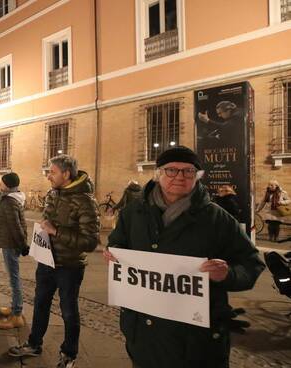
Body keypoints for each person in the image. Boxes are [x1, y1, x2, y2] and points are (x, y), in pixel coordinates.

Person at [103, 146, 264, 368]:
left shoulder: (218, 219)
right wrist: (114, 252)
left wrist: (227, 274)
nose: (179, 176)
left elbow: (251, 263)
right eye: (171, 170)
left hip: (196, 342)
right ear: (158, 174)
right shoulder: (133, 212)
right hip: (144, 335)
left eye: (188, 171)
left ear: (196, 178)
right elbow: (117, 240)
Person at [8, 155, 100, 368]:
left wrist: (56, 231)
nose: (48, 176)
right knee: (40, 304)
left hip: (70, 266)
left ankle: (69, 353)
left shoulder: (85, 201)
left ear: (66, 174)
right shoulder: (53, 194)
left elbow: (90, 242)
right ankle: (34, 343)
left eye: (52, 172)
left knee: (69, 310)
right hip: (46, 261)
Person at [0, 172, 28, 330]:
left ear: (7, 185)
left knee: (14, 279)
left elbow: (16, 226)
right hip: (11, 242)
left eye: (1, 182)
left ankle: (17, 315)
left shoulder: (8, 201)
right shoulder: (14, 198)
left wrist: (23, 245)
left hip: (10, 243)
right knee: (13, 278)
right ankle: (15, 307)